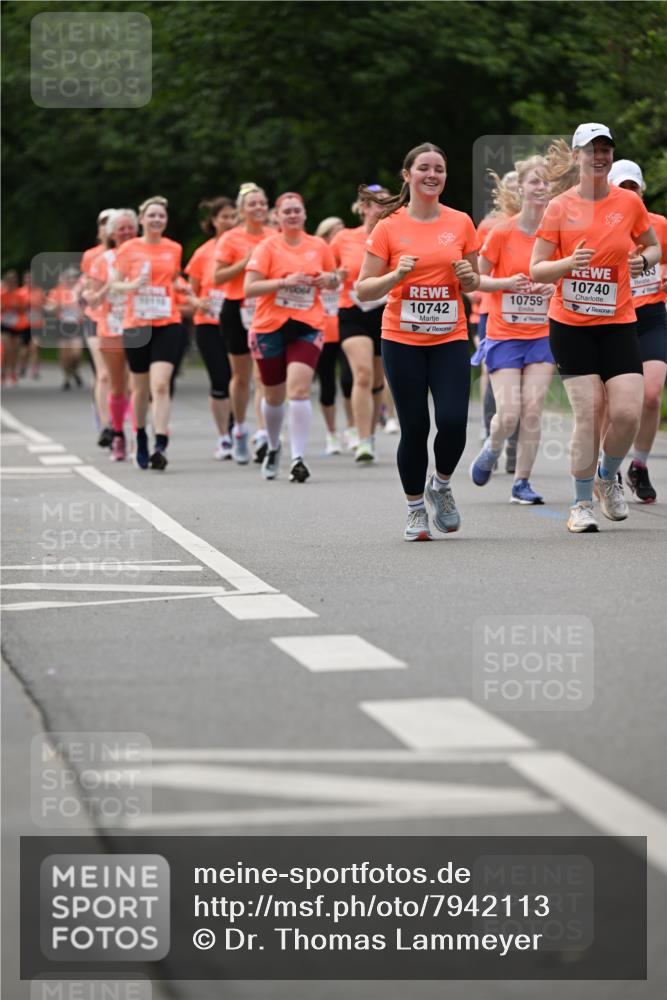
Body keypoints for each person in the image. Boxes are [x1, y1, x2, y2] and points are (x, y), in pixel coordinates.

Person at [530, 124, 660, 532]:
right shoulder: (559, 207)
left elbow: (652, 244)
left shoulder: (629, 203)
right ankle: (581, 503)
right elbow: (536, 267)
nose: (599, 156)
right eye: (590, 150)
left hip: (619, 321)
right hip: (571, 324)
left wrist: (645, 260)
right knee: (589, 412)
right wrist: (568, 265)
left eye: (605, 149)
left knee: (626, 412)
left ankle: (608, 475)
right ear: (576, 157)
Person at [356, 142, 479, 540]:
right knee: (415, 427)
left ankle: (440, 486)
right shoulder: (389, 226)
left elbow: (474, 283)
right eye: (423, 167)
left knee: (453, 422)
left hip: (450, 337)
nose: (432, 174)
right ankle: (414, 510)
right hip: (402, 338)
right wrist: (395, 277)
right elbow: (364, 289)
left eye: (439, 169)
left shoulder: (460, 222)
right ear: (407, 175)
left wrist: (467, 277)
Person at [470, 155, 555, 504]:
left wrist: (552, 288)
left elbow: (568, 276)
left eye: (546, 182)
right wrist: (506, 282)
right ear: (520, 188)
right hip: (504, 332)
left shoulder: (557, 232)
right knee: (508, 414)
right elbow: (476, 279)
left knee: (532, 409)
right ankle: (492, 448)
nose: (541, 188)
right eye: (534, 181)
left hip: (542, 333)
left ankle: (522, 482)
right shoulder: (502, 231)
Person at [244, 191, 338, 482]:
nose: (293, 215)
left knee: (298, 390)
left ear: (305, 214)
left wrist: (329, 279)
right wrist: (284, 281)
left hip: (307, 324)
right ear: (278, 216)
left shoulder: (319, 245)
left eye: (297, 210)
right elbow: (250, 288)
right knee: (273, 395)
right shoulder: (267, 247)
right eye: (287, 212)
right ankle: (273, 447)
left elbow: (334, 279)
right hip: (270, 325)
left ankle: (298, 457)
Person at [607, 159, 667, 503]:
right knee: (612, 403)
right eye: (622, 187)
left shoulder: (658, 224)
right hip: (614, 319)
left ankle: (639, 465)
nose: (630, 193)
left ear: (641, 191)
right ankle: (609, 466)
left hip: (651, 315)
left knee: (652, 393)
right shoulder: (604, 225)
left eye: (635, 187)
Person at [112, 195, 183, 470]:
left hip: (168, 322)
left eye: (161, 216)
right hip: (136, 326)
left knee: (161, 384)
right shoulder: (128, 248)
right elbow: (114, 286)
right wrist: (132, 286)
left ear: (166, 220)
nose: (156, 220)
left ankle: (161, 442)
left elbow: (174, 279)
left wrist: (183, 287)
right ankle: (140, 435)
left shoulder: (174, 248)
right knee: (139, 388)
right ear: (142, 219)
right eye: (151, 215)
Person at [330, 186, 390, 462]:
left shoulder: (393, 236)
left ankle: (370, 432)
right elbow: (327, 270)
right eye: (378, 204)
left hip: (383, 311)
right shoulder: (344, 238)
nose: (383, 208)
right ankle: (362, 439)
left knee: (378, 378)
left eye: (387, 204)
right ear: (364, 207)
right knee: (363, 373)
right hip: (352, 311)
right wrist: (333, 276)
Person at [214, 184, 271, 464]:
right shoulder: (230, 238)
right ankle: (239, 429)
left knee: (263, 374)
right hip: (237, 308)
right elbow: (218, 278)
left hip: (267, 308)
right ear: (241, 210)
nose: (258, 208)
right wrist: (246, 263)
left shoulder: (275, 236)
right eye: (252, 205)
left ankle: (262, 433)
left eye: (262, 204)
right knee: (241, 376)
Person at [85, 209, 139, 460]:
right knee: (117, 385)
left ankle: (140, 435)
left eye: (131, 227)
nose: (127, 232)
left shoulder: (144, 255)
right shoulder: (101, 260)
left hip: (141, 326)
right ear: (112, 233)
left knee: (138, 385)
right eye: (121, 228)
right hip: (112, 327)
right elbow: (93, 298)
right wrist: (110, 286)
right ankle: (118, 433)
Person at [186, 196, 236, 460]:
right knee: (220, 379)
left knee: (239, 378)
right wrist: (198, 301)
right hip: (209, 323)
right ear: (213, 222)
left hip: (240, 319)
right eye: (224, 217)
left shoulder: (248, 248)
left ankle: (238, 429)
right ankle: (224, 435)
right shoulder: (203, 252)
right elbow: (189, 293)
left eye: (232, 216)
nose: (229, 222)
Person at [314, 215, 355, 455]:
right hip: (322, 329)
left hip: (346, 327)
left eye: (342, 231)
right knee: (327, 383)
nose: (339, 236)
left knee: (349, 380)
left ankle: (351, 428)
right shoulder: (315, 259)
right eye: (333, 233)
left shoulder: (349, 263)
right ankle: (331, 434)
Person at [81, 210, 114, 443]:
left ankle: (119, 419)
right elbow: (88, 286)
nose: (107, 228)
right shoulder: (92, 255)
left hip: (124, 320)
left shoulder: (130, 252)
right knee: (103, 374)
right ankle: (106, 425)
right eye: (103, 224)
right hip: (96, 317)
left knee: (120, 377)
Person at [44, 266, 85, 389]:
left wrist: (81, 310)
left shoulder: (80, 292)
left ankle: (75, 371)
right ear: (63, 279)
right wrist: (57, 306)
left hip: (77, 325)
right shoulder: (56, 292)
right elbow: (48, 308)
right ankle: (67, 378)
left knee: (76, 354)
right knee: (65, 355)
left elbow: (88, 307)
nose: (71, 280)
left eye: (74, 278)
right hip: (62, 325)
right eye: (69, 278)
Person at [1, 269, 22, 384]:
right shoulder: (1, 294)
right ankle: (3, 372)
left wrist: (17, 308)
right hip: (4, 324)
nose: (12, 283)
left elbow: (23, 311)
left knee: (15, 351)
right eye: (10, 281)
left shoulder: (19, 295)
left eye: (14, 281)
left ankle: (13, 372)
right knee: (7, 349)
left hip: (17, 325)